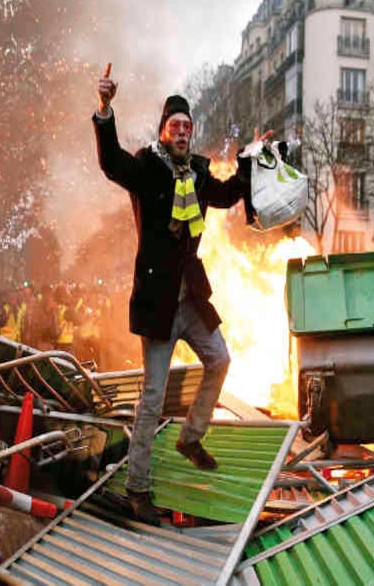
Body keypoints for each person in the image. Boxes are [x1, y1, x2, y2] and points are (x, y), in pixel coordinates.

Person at [92, 68, 263, 525]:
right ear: (163, 132)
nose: (183, 132)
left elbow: (228, 196)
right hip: (159, 303)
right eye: (176, 126)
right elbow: (112, 164)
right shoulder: (147, 167)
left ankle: (191, 436)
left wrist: (251, 157)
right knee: (151, 397)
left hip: (192, 300)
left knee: (220, 360)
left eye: (188, 126)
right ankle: (137, 489)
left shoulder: (201, 172)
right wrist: (105, 111)